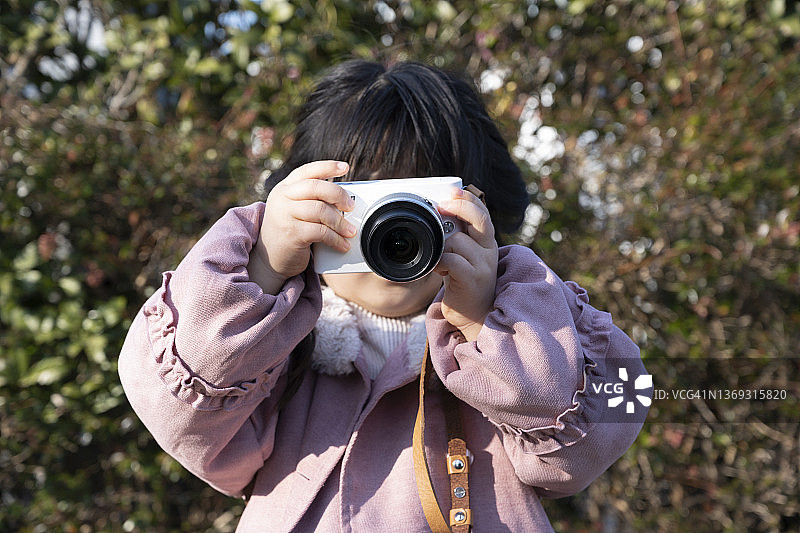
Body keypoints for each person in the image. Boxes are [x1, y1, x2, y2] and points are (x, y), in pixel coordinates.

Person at [118, 59, 649, 532]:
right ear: (305, 200)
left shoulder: (504, 346)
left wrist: (489, 321)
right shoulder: (271, 352)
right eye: (363, 197)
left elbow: (612, 416)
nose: (393, 225)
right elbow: (178, 414)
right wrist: (262, 267)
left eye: (422, 199)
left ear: (482, 210)